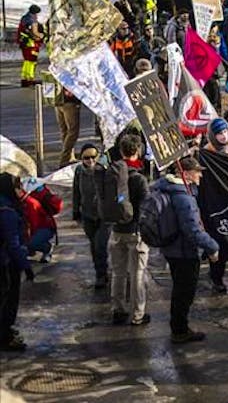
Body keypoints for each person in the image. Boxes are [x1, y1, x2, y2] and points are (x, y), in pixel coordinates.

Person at [150, 156, 220, 343]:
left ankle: (179, 327)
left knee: (179, 290)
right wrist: (212, 247)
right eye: (198, 172)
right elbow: (192, 229)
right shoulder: (183, 197)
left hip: (172, 249)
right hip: (184, 252)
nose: (200, 176)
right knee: (184, 292)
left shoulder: (169, 189)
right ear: (187, 174)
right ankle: (180, 330)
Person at [109, 134, 150, 326]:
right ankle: (137, 314)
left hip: (116, 230)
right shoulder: (139, 178)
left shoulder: (114, 173)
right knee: (137, 274)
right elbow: (146, 207)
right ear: (138, 151)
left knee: (118, 273)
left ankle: (118, 309)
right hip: (135, 232)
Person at [72, 143, 115, 288]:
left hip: (104, 216)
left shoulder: (104, 170)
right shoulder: (79, 171)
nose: (90, 161)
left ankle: (101, 275)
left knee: (100, 244)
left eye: (93, 157)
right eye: (86, 158)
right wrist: (75, 212)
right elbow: (76, 192)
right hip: (88, 214)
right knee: (93, 245)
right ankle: (100, 271)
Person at [0, 173, 34, 352]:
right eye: (16, 187)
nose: (19, 190)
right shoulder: (8, 212)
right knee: (8, 300)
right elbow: (13, 244)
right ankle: (5, 336)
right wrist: (26, 266)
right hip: (6, 264)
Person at [19, 177, 62, 263]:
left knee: (29, 243)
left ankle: (46, 248)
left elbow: (34, 222)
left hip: (44, 227)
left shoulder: (31, 203)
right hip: (43, 226)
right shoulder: (29, 199)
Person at [54, 85, 82, 167]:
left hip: (58, 101)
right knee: (73, 132)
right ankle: (64, 159)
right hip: (69, 102)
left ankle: (70, 157)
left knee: (65, 131)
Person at [17, 4, 44, 87]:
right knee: (32, 61)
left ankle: (24, 78)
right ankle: (30, 79)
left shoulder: (24, 18)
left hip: (23, 42)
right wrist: (41, 35)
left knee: (26, 61)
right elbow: (35, 32)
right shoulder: (33, 21)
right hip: (31, 44)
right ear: (35, 12)